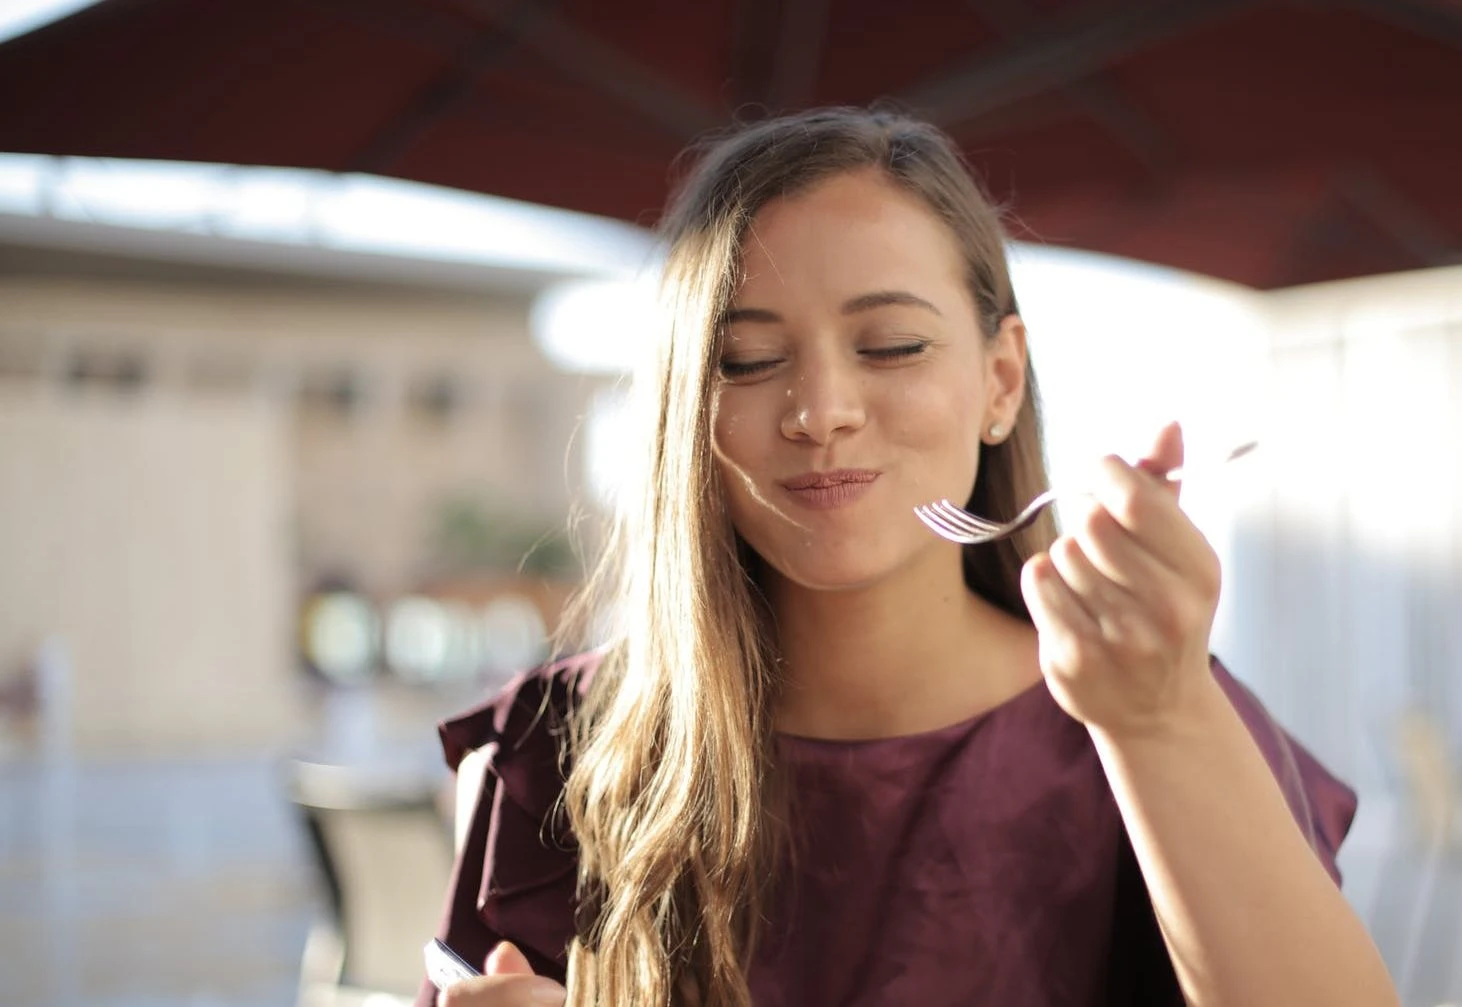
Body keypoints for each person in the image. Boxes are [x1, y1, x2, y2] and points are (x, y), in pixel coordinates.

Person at [419, 106, 1398, 1007]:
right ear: (686, 410)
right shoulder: (551, 752)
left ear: (1000, 381)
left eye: (889, 345)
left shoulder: (1150, 712)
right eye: (748, 360)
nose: (821, 411)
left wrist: (1161, 717)